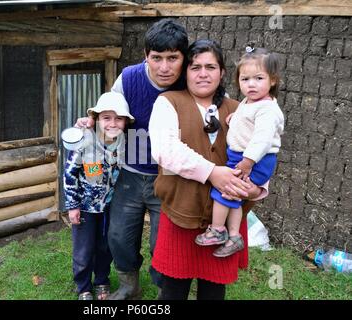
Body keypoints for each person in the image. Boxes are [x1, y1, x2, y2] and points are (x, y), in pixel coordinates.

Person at [75, 18, 189, 299]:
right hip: (129, 172)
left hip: (171, 177)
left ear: (183, 59)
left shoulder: (191, 82)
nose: (164, 67)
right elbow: (111, 109)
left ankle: (167, 289)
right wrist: (93, 120)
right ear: (146, 56)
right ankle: (129, 286)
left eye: (173, 58)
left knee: (163, 242)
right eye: (156, 58)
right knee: (119, 237)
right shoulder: (129, 77)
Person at [148, 39, 269, 300]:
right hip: (181, 213)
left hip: (225, 222)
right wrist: (213, 173)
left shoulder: (241, 109)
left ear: (223, 72)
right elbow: (165, 149)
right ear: (186, 72)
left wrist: (258, 187)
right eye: (195, 67)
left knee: (214, 292)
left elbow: (266, 149)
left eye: (211, 67)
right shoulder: (168, 103)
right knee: (172, 292)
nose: (203, 74)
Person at [195, 45, 284, 258]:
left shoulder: (267, 109)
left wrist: (248, 162)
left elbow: (262, 139)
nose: (251, 84)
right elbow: (248, 120)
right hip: (243, 157)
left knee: (224, 191)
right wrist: (236, 119)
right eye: (245, 79)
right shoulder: (251, 102)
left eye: (259, 78)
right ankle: (234, 235)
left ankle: (217, 230)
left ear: (273, 80)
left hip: (253, 160)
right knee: (234, 195)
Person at [63, 92, 134, 300]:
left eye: (118, 118)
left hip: (111, 206)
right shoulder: (84, 141)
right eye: (106, 118)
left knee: (106, 247)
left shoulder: (125, 142)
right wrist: (73, 205)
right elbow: (69, 174)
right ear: (96, 119)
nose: (113, 123)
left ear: (126, 121)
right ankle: (83, 286)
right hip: (85, 207)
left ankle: (102, 280)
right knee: (84, 250)